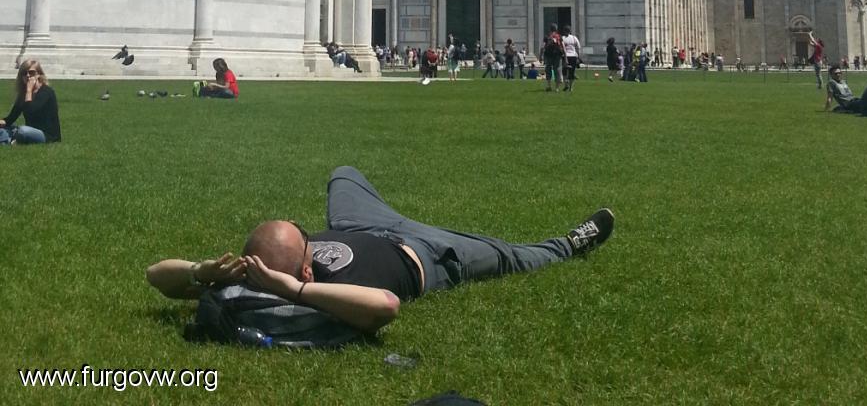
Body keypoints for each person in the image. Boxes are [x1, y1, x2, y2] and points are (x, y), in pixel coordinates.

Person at [146, 166, 615, 346]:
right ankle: (570, 244)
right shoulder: (277, 296)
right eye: (306, 244)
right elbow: (385, 307)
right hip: (430, 255)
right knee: (509, 256)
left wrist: (200, 270)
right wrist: (296, 288)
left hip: (361, 224)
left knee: (343, 173)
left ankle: (356, 195)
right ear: (304, 268)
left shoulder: (249, 273)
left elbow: (155, 275)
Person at [0, 60, 61, 144]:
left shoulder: (46, 92)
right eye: (24, 73)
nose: (28, 75)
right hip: (30, 130)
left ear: (39, 74)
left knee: (23, 130)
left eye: (31, 73)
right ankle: (11, 140)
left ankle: (11, 140)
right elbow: (10, 119)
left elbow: (30, 111)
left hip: (46, 135)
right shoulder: (23, 94)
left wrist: (29, 91)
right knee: (4, 130)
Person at [542, 27, 564, 92]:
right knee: (557, 70)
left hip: (549, 56)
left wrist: (541, 56)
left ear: (550, 29)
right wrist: (564, 55)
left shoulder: (547, 37)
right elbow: (563, 46)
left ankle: (549, 86)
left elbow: (543, 47)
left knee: (548, 70)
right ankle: (557, 88)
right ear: (556, 29)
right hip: (557, 56)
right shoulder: (559, 36)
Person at [561, 25, 581, 92]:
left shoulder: (562, 38)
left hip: (565, 56)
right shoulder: (574, 38)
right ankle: (571, 87)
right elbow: (578, 47)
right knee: (572, 72)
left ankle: (566, 84)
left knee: (564, 71)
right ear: (570, 31)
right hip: (573, 56)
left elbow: (561, 48)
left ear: (564, 31)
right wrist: (578, 57)